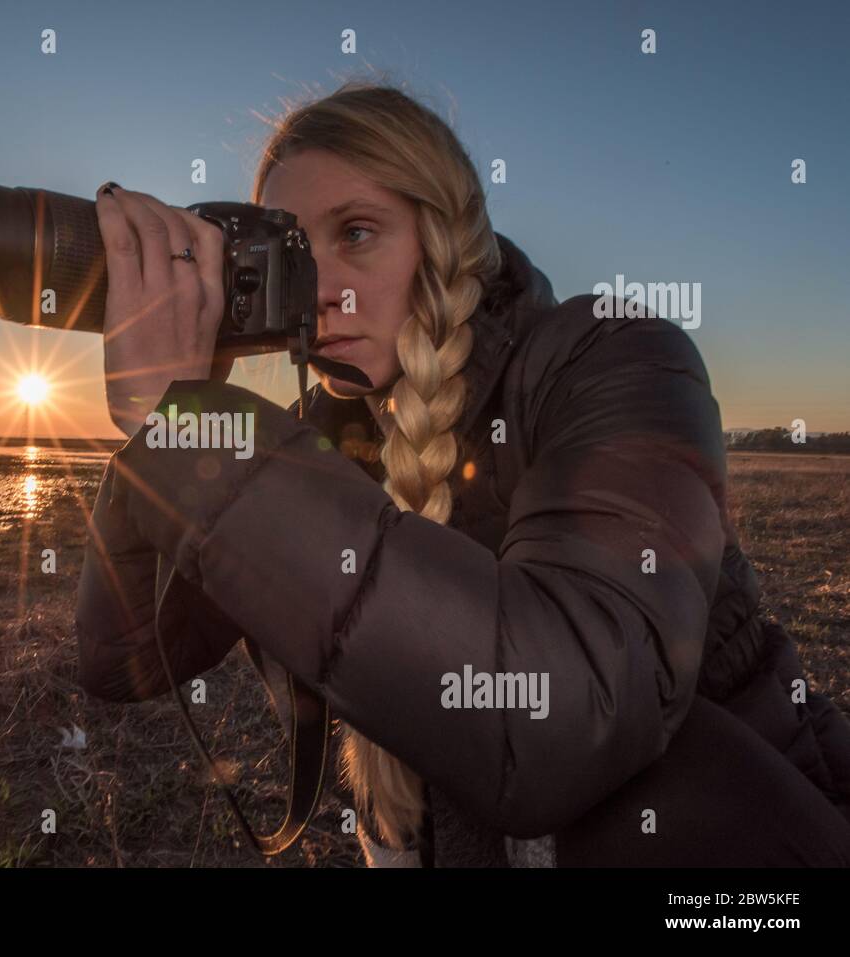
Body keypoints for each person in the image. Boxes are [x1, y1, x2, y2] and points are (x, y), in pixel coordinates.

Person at [73, 81, 850, 866]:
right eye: (295, 253)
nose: (324, 291)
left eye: (359, 232)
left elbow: (567, 712)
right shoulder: (305, 443)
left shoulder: (614, 358)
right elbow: (127, 653)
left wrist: (201, 436)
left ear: (444, 236)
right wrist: (180, 423)